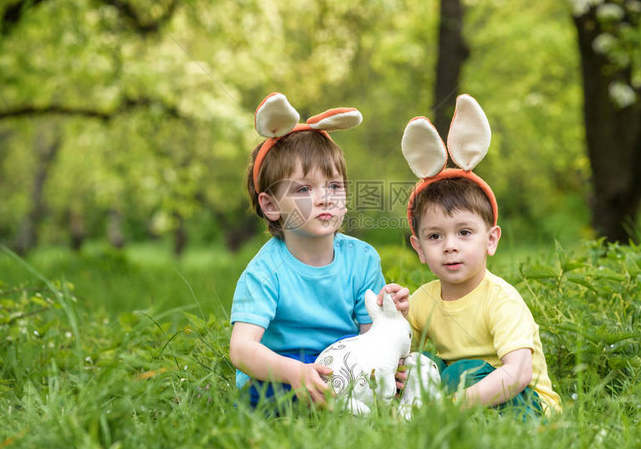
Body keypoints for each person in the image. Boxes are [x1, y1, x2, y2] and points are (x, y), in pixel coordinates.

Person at [229, 93, 409, 409]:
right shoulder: (265, 271)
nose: (325, 198)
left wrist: (387, 344)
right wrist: (296, 372)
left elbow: (370, 337)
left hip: (343, 359)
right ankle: (336, 405)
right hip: (284, 368)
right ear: (271, 205)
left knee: (412, 371)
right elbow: (242, 350)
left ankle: (360, 404)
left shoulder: (361, 259)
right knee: (270, 392)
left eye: (334, 186)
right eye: (304, 189)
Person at [393, 95, 561, 417]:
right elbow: (400, 349)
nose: (450, 246)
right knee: (422, 365)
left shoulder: (501, 300)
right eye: (435, 236)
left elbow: (518, 373)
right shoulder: (424, 301)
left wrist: (452, 406)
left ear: (491, 240)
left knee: (460, 371)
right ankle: (415, 423)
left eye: (464, 233)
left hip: (527, 404)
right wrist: (394, 314)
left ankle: (468, 424)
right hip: (469, 401)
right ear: (419, 249)